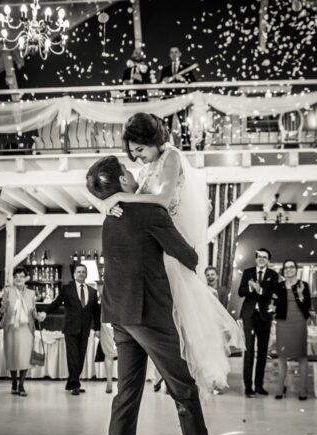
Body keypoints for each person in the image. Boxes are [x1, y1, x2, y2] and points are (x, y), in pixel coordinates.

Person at [87, 156, 227, 435]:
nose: (135, 172)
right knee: (183, 390)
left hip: (120, 316)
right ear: (123, 178)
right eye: (128, 169)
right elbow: (189, 256)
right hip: (149, 314)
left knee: (126, 398)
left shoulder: (111, 213)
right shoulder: (147, 212)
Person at [101, 113, 243, 398]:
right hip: (153, 251)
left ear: (152, 139)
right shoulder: (142, 173)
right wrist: (106, 204)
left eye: (139, 149)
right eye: (132, 152)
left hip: (172, 246)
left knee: (180, 317)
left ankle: (183, 380)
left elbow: (162, 201)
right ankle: (170, 377)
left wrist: (119, 198)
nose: (137, 157)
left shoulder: (171, 157)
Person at [39, 264, 100, 395]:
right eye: (79, 272)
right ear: (74, 274)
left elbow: (96, 312)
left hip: (85, 330)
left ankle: (73, 382)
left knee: (81, 357)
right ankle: (75, 384)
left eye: (84, 272)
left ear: (86, 274)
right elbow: (56, 303)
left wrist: (98, 329)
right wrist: (45, 312)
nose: (81, 274)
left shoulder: (93, 291)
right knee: (73, 357)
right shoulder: (67, 289)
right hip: (71, 329)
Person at [237, 248, 279, 396]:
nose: (262, 259)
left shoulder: (273, 275)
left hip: (265, 316)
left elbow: (274, 294)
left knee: (262, 351)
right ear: (255, 259)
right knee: (248, 350)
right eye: (259, 256)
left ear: (268, 260)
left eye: (265, 257)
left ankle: (259, 385)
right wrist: (250, 287)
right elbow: (240, 292)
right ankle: (248, 387)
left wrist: (260, 289)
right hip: (249, 315)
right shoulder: (247, 272)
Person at [271, 260, 311, 400]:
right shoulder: (278, 286)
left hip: (299, 322)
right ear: (283, 270)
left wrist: (300, 295)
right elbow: (273, 303)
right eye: (286, 267)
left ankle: (303, 390)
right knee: (282, 357)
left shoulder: (303, 285)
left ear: (296, 269)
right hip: (283, 324)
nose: (288, 269)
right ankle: (280, 388)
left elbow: (307, 306)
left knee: (301, 356)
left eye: (291, 267)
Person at [0, 266, 38, 397]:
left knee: (25, 357)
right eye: (16, 277)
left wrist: (40, 315)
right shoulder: (8, 291)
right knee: (12, 355)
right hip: (11, 328)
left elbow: (34, 312)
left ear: (26, 278)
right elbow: (2, 309)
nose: (19, 279)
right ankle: (14, 382)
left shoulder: (31, 293)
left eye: (21, 276)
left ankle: (21, 384)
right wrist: (2, 308)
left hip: (26, 328)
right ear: (13, 279)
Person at [159, 46, 197, 149]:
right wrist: (164, 81)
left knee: (184, 122)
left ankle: (186, 146)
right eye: (171, 52)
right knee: (167, 124)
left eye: (176, 52)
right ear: (169, 55)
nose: (174, 54)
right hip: (169, 99)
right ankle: (165, 146)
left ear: (180, 54)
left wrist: (183, 79)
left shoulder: (186, 67)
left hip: (182, 100)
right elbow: (160, 85)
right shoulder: (165, 69)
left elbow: (194, 83)